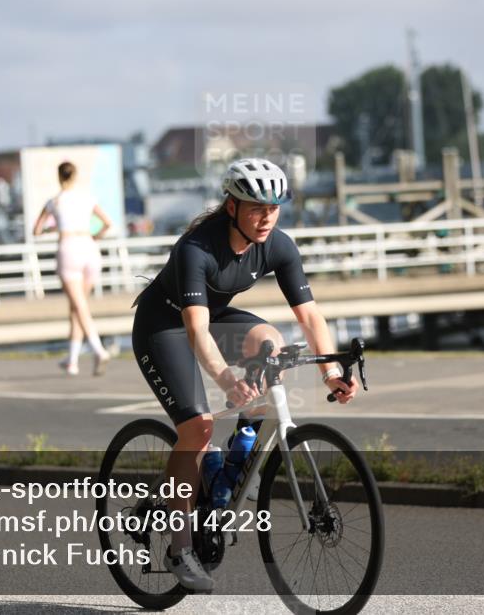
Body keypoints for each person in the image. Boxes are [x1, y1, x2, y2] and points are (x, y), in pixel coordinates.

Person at [130, 158, 359, 590]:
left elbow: (310, 316)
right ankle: (180, 547)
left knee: (271, 343)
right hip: (165, 328)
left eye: (273, 208)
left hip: (212, 318)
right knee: (197, 428)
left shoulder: (277, 245)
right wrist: (226, 380)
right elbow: (196, 331)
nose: (266, 218)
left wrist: (331, 371)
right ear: (232, 207)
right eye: (256, 208)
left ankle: (236, 464)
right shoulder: (196, 249)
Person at [33, 161, 114, 376]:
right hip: (89, 247)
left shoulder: (54, 202)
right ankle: (72, 360)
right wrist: (95, 236)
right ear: (75, 176)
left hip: (68, 248)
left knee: (79, 307)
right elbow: (107, 222)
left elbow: (36, 230)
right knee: (77, 307)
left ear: (59, 176)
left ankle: (98, 350)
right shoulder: (87, 198)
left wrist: (54, 228)